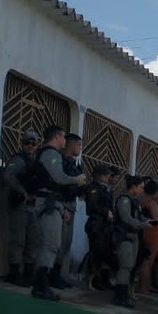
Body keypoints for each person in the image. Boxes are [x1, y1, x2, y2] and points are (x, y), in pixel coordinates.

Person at [31, 125, 86, 300]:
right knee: (50, 244)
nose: (64, 140)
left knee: (53, 244)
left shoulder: (51, 154)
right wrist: (77, 180)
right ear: (56, 137)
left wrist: (62, 208)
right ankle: (40, 285)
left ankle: (42, 284)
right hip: (47, 204)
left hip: (53, 203)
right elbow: (59, 178)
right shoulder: (50, 154)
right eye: (63, 137)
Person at [2, 130, 42, 287]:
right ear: (22, 144)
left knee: (32, 241)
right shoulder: (18, 160)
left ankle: (28, 273)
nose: (30, 146)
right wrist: (22, 191)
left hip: (33, 207)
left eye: (33, 143)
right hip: (20, 205)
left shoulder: (36, 162)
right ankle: (14, 273)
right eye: (27, 142)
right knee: (18, 241)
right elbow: (8, 176)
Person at [113, 175, 151, 308]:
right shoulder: (124, 199)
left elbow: (139, 216)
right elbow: (127, 219)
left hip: (133, 236)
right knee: (125, 266)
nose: (141, 190)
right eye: (140, 187)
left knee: (129, 266)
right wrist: (144, 225)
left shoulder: (133, 200)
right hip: (124, 236)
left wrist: (149, 221)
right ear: (133, 186)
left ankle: (124, 294)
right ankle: (120, 295)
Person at [51, 132, 83, 288]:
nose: (79, 148)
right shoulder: (60, 161)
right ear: (70, 144)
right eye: (78, 145)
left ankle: (57, 274)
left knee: (66, 243)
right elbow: (59, 185)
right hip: (62, 205)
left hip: (71, 204)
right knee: (58, 242)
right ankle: (51, 275)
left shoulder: (74, 164)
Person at [84, 164, 115, 290]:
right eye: (106, 175)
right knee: (96, 253)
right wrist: (105, 212)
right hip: (96, 224)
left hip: (105, 226)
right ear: (99, 176)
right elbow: (92, 206)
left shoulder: (105, 189)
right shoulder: (93, 188)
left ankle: (102, 280)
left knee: (105, 254)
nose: (108, 177)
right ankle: (93, 280)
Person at [137, 179, 158, 294]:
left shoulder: (139, 199)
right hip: (151, 231)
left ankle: (141, 286)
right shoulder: (151, 203)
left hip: (140, 229)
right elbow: (155, 220)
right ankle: (143, 287)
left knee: (142, 259)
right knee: (148, 261)